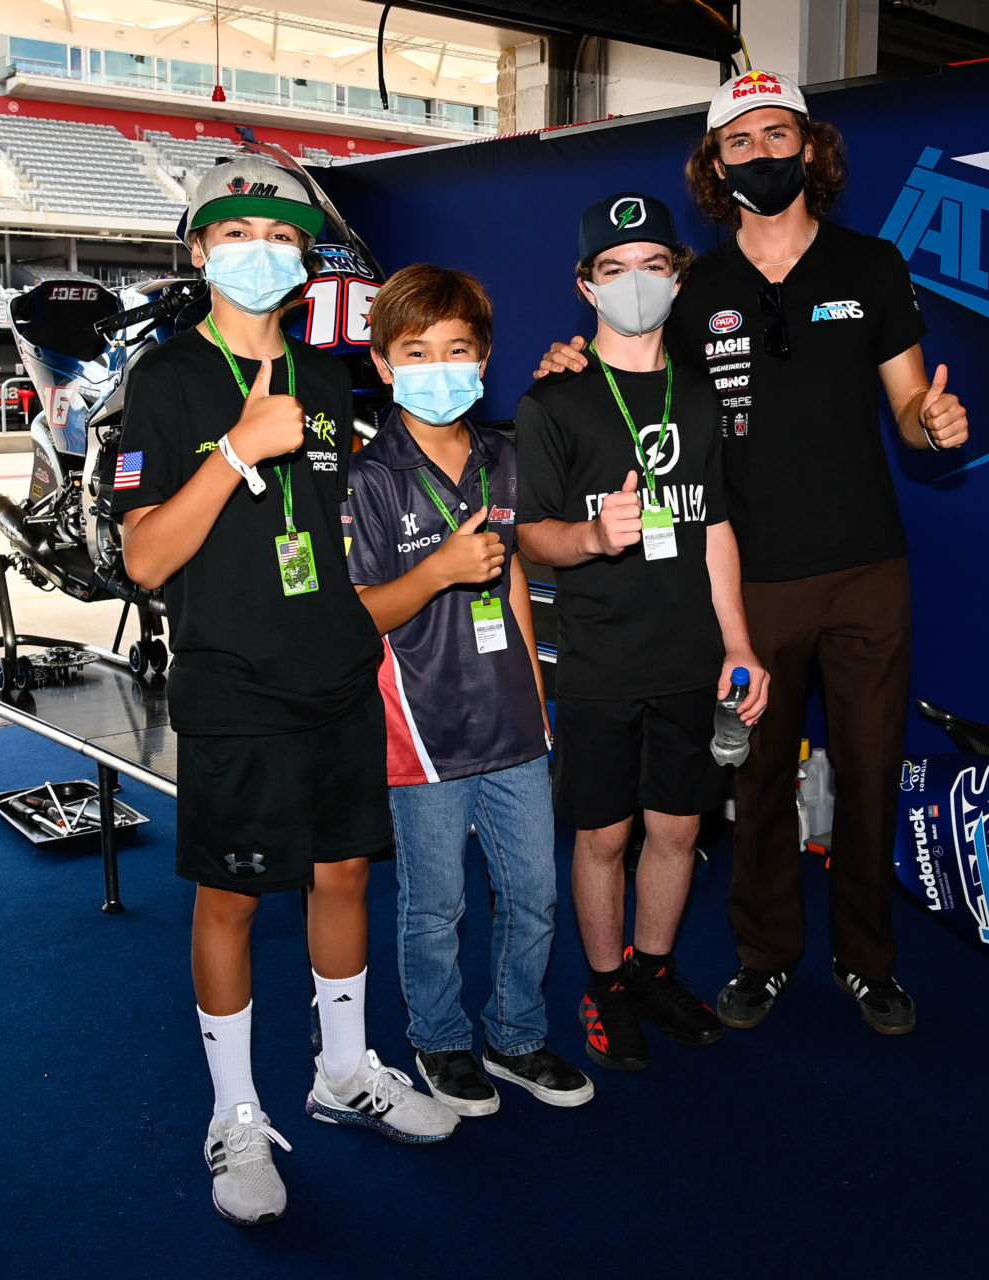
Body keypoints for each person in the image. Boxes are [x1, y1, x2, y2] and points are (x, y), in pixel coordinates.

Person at [533, 72, 970, 1037]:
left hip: (866, 568)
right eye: (740, 143)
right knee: (756, 779)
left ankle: (867, 961)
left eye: (779, 136)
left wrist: (930, 422)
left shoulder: (871, 263)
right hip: (746, 579)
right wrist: (568, 359)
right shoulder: (692, 287)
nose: (762, 154)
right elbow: (629, 364)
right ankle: (765, 957)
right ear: (714, 165)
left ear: (810, 148)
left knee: (866, 771)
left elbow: (906, 404)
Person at [112, 159, 455, 1228]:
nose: (261, 246)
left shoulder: (329, 375)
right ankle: (237, 1111)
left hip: (335, 669)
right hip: (235, 683)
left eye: (281, 232)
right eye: (238, 229)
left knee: (344, 872)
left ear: (305, 261)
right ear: (201, 250)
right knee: (230, 895)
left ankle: (342, 1070)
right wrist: (231, 450)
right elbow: (143, 561)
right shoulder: (165, 381)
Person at [515, 192, 769, 1072]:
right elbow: (533, 532)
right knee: (604, 837)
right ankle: (604, 984)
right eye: (615, 269)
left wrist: (738, 644)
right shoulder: (554, 401)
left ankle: (654, 971)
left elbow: (716, 529)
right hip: (600, 663)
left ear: (678, 277)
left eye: (654, 265)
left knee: (676, 832)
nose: (636, 283)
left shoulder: (701, 397)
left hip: (692, 661)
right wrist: (591, 537)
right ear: (585, 286)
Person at [343, 263, 593, 1114]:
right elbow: (362, 614)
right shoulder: (369, 478)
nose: (438, 366)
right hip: (423, 729)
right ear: (383, 364)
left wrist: (534, 691)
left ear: (484, 357)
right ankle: (441, 1040)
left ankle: (517, 1036)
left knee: (535, 892)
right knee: (435, 903)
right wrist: (441, 569)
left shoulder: (504, 455)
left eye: (456, 349)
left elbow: (516, 578)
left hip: (514, 722)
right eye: (416, 351)